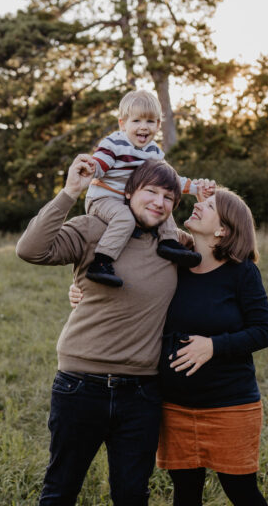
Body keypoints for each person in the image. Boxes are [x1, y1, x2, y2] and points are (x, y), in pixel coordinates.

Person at [69, 188, 268, 506]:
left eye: (207, 206)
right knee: (185, 495)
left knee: (242, 492)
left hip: (229, 407)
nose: (196, 205)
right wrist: (81, 292)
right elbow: (128, 290)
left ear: (223, 230)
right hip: (174, 406)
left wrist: (213, 346)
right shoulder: (172, 266)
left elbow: (263, 331)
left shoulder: (242, 272)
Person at [16, 156, 188, 506]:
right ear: (129, 192)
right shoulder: (94, 228)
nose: (159, 202)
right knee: (61, 489)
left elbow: (225, 252)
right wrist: (69, 192)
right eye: (150, 191)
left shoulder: (176, 246)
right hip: (80, 385)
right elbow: (31, 250)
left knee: (132, 495)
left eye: (169, 197)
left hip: (142, 392)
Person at [85, 89, 213, 287]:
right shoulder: (114, 143)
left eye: (150, 121)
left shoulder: (154, 153)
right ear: (123, 123)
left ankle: (168, 243)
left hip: (131, 201)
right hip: (104, 198)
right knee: (124, 218)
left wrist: (196, 188)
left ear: (158, 125)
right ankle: (101, 262)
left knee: (161, 205)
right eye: (136, 121)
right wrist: (89, 169)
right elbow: (99, 166)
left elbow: (169, 180)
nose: (143, 127)